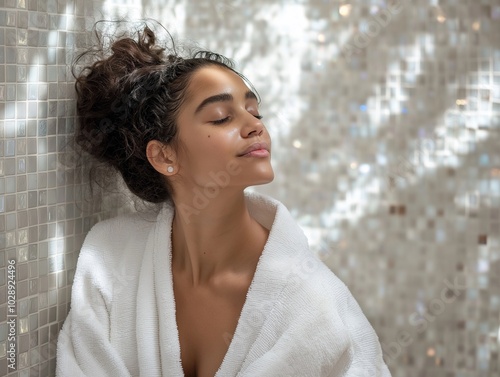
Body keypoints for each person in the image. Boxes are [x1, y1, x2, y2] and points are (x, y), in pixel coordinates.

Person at [56, 22, 392, 377]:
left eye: (255, 112)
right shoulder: (112, 259)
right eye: (222, 117)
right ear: (164, 156)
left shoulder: (311, 303)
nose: (255, 126)